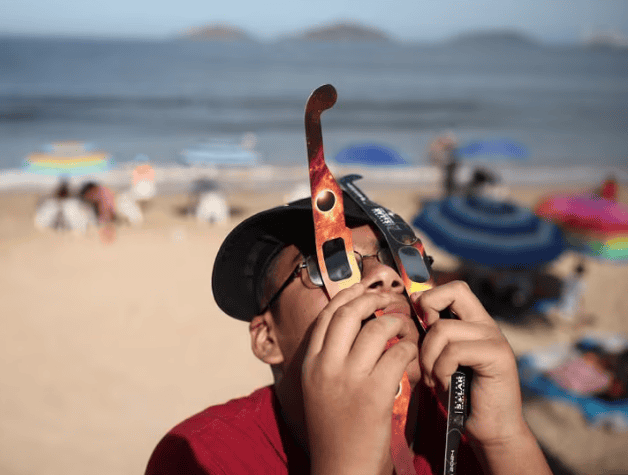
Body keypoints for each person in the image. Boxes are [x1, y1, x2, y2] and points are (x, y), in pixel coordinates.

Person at [146, 192, 552, 475]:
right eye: (329, 264)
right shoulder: (203, 455)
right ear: (268, 339)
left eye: (397, 260)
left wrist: (506, 439)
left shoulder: (464, 425)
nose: (386, 276)